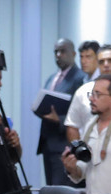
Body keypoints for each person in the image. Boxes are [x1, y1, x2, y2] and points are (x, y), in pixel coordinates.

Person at [35, 39, 86, 186]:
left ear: (73, 54)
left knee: (61, 192)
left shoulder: (80, 78)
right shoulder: (52, 78)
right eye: (56, 52)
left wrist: (60, 119)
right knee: (51, 189)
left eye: (62, 51)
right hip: (47, 144)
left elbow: (81, 114)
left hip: (64, 144)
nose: (58, 55)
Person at [63, 44, 111, 142]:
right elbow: (72, 125)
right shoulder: (83, 91)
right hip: (90, 147)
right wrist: (79, 150)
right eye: (101, 62)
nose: (106, 65)